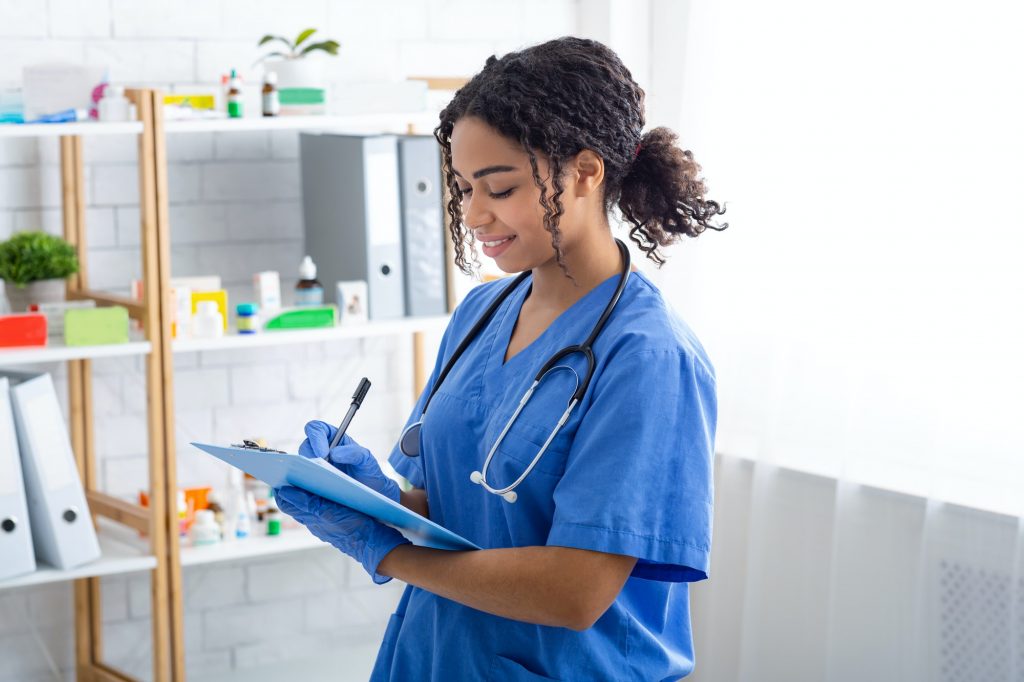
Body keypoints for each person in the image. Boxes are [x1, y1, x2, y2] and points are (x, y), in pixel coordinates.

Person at [275, 36, 727, 681]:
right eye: (463, 188)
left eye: (501, 187)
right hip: (437, 657)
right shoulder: (481, 313)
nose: (474, 213)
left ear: (586, 171)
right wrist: (374, 499)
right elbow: (463, 511)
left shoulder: (649, 357)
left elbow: (575, 591)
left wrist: (386, 553)